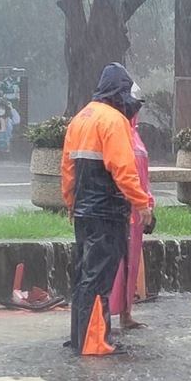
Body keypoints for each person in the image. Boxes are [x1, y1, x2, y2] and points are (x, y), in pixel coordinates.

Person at [61, 62, 153, 356]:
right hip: (107, 212)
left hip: (85, 212)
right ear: (120, 91)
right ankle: (95, 342)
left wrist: (71, 203)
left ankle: (80, 337)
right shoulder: (113, 121)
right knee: (99, 278)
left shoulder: (80, 118)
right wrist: (142, 204)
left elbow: (68, 170)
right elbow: (124, 170)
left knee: (83, 275)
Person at [108, 114, 155, 330]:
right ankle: (106, 314)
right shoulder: (117, 132)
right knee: (115, 264)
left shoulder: (135, 135)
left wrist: (149, 205)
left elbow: (143, 176)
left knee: (131, 263)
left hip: (137, 209)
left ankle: (126, 313)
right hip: (120, 207)